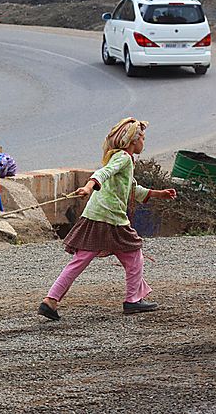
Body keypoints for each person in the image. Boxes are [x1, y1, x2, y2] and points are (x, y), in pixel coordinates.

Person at [38, 117, 177, 321]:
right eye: (143, 139)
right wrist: (87, 187)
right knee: (134, 254)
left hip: (98, 215)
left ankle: (50, 300)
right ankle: (132, 300)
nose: (143, 143)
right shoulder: (122, 158)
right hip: (110, 218)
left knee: (83, 261)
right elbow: (103, 173)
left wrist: (159, 194)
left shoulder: (124, 160)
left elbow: (132, 189)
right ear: (133, 141)